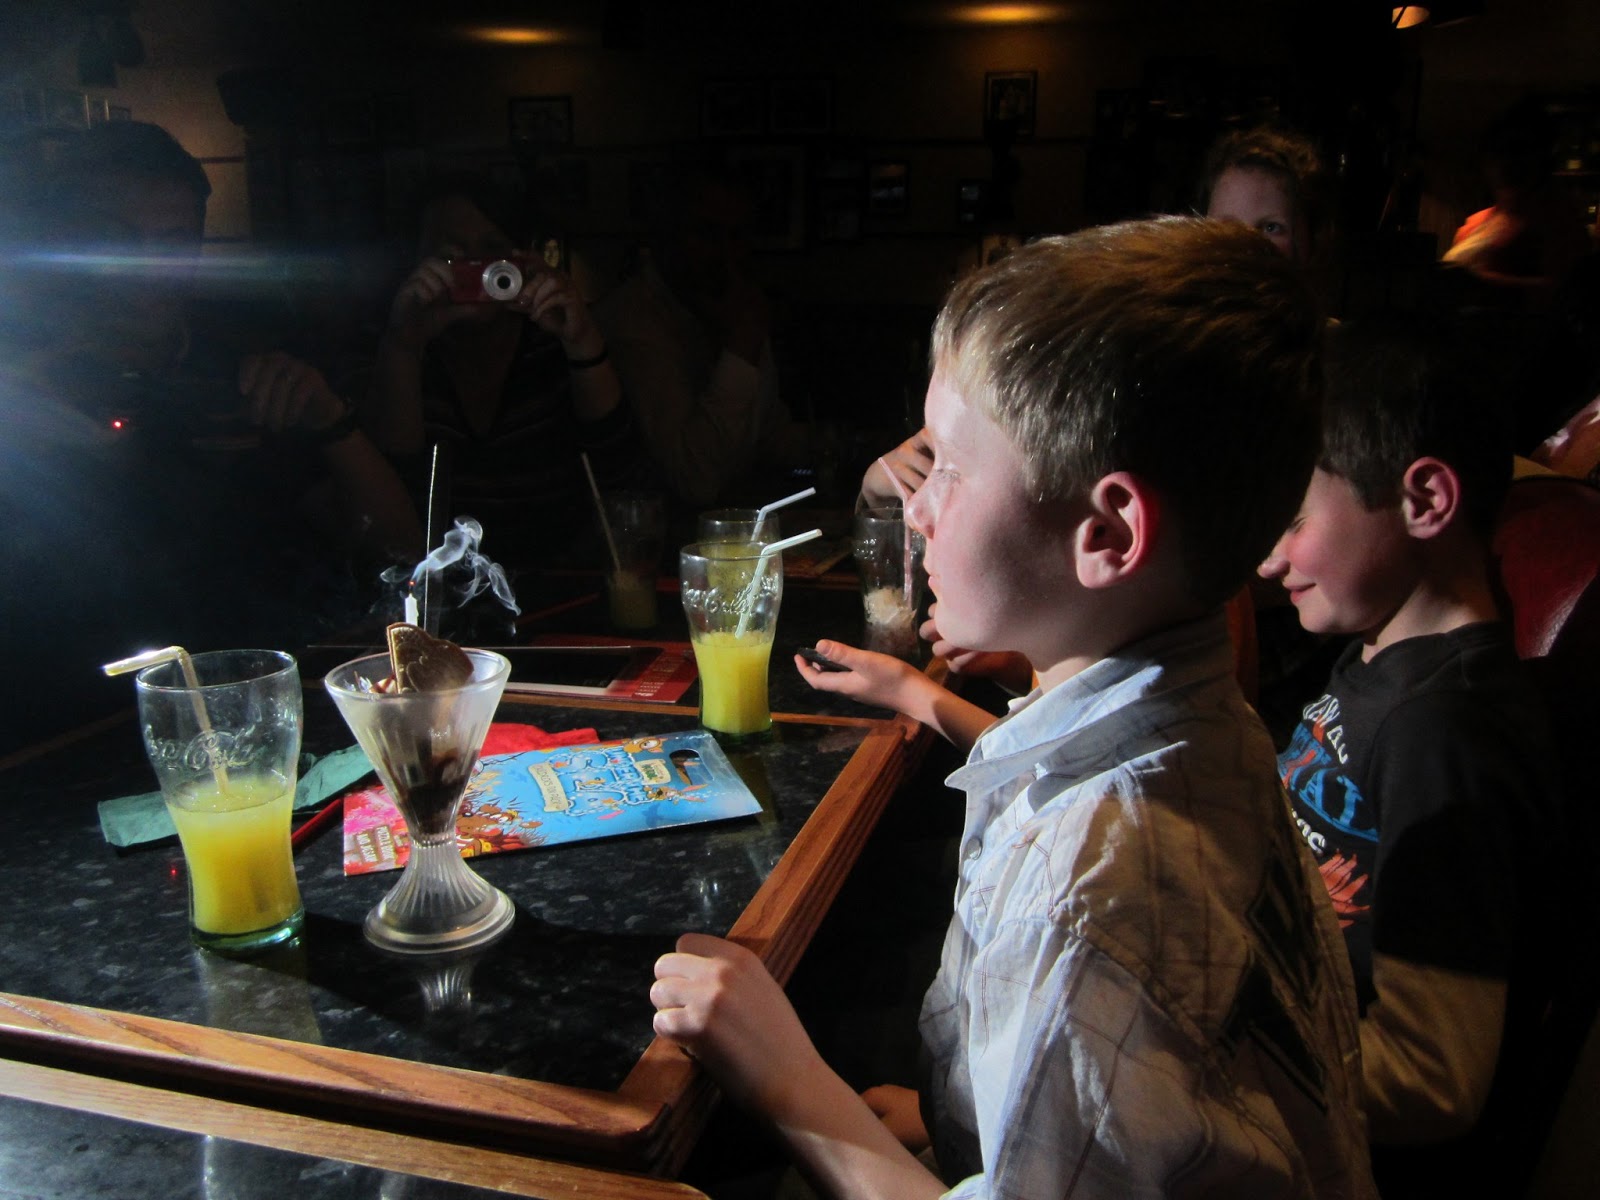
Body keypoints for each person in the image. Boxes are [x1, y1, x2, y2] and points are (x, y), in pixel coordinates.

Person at [652, 218, 1375, 1199]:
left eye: (950, 467)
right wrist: (968, 1113)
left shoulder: (1087, 901)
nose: (917, 507)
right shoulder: (1212, 727)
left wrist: (787, 1081)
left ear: (1107, 534)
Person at [1260, 318, 1564, 1195]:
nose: (1270, 560)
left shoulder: (1448, 736)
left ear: (1425, 500)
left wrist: (1202, 1069)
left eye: (1293, 518)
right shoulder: (1376, 658)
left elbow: (1434, 1081)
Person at [363, 174, 638, 569]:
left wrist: (581, 339)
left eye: (492, 251)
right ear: (418, 261)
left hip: (561, 585)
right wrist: (404, 347)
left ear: (522, 259)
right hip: (439, 587)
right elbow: (392, 494)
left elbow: (621, 477)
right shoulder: (398, 347)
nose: (476, 269)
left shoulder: (551, 347)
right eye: (451, 255)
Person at [594, 159, 809, 509]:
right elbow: (695, 482)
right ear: (667, 235)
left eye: (737, 235)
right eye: (707, 233)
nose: (725, 253)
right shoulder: (632, 322)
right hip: (657, 532)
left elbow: (770, 437)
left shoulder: (731, 302)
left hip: (736, 522)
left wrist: (858, 448)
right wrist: (742, 346)